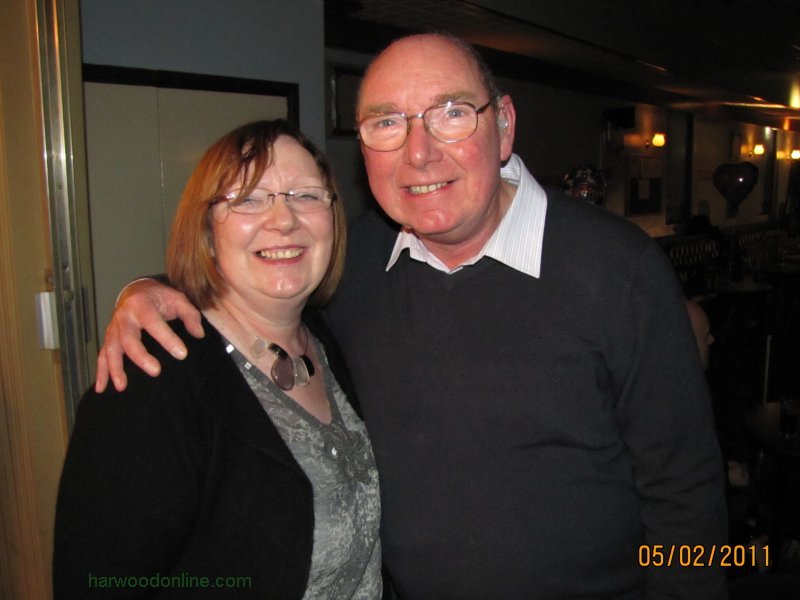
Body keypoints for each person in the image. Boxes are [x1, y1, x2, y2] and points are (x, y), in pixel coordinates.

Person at [94, 34, 727, 599]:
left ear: (504, 126)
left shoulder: (619, 270)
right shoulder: (355, 265)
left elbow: (687, 493)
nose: (419, 153)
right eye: (387, 122)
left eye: (452, 113)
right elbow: (258, 275)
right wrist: (148, 291)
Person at [53, 120, 381, 599]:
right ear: (206, 232)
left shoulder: (332, 338)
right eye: (248, 199)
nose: (284, 220)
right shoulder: (151, 381)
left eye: (306, 195)